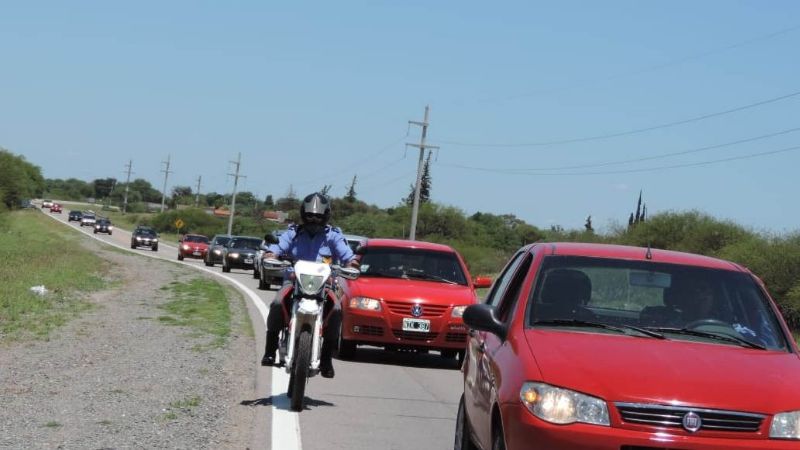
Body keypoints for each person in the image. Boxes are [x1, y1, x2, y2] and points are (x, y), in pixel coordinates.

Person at [260, 192, 358, 378]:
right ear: (303, 215)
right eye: (310, 216)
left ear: (326, 216)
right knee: (277, 303)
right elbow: (278, 247)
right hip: (294, 281)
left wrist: (352, 264)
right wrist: (271, 254)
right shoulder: (293, 232)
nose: (314, 220)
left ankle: (327, 359)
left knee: (336, 310)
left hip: (324, 285)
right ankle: (270, 351)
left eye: (318, 217)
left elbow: (347, 256)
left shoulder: (333, 236)